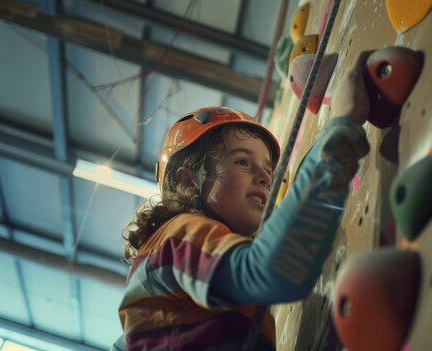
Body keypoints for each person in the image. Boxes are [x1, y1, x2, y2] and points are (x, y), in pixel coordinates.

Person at [112, 53, 372, 351]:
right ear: (187, 182)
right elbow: (272, 270)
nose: (264, 178)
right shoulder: (178, 236)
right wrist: (341, 127)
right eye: (243, 162)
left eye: (268, 171)